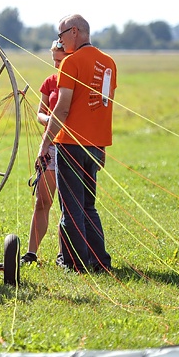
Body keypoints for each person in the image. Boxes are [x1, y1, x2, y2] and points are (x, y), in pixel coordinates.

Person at [36, 15, 116, 273]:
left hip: (70, 145)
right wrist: (101, 147)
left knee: (71, 207)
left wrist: (44, 144)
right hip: (94, 147)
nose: (59, 40)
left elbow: (61, 108)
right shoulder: (109, 63)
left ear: (73, 32)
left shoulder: (71, 62)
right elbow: (104, 107)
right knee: (88, 206)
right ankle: (99, 261)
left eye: (60, 35)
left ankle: (75, 263)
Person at [20, 40, 67, 265]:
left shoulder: (77, 83)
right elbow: (40, 112)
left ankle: (64, 254)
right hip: (51, 146)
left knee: (69, 206)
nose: (57, 65)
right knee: (42, 201)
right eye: (55, 61)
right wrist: (50, 121)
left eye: (61, 60)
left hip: (71, 149)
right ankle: (31, 253)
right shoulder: (50, 82)